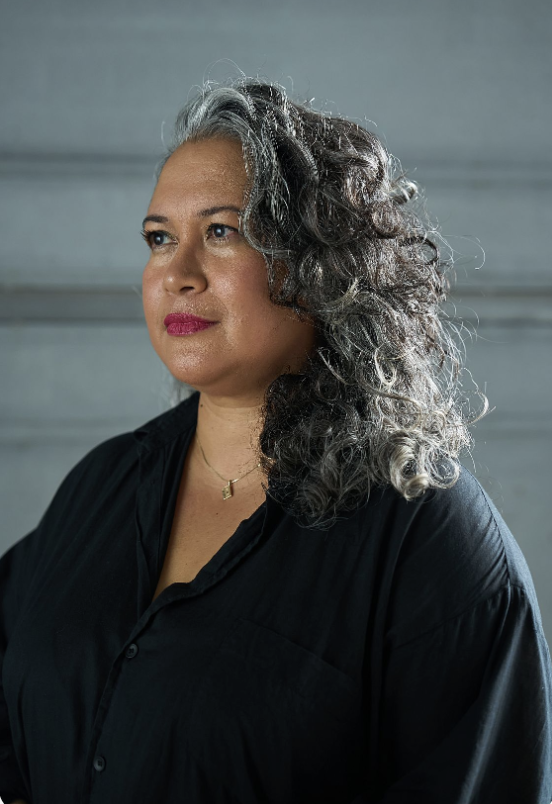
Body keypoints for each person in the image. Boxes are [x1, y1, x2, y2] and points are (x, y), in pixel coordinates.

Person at [1, 76, 551, 804]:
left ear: (324, 265)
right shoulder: (104, 485)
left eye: (222, 232)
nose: (177, 274)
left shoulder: (430, 542)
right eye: (160, 239)